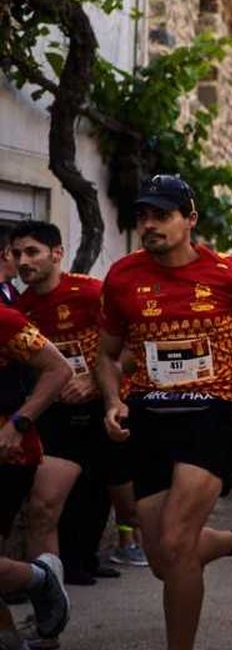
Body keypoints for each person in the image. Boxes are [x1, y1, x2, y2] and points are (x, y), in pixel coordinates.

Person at [96, 175, 232, 650]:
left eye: (161, 215)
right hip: (148, 418)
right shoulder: (124, 277)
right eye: (143, 215)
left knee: (177, 543)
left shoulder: (230, 274)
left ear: (189, 218)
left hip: (210, 415)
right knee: (163, 559)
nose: (149, 225)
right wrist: (111, 400)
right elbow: (106, 353)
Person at [10, 222, 105, 576]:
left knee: (132, 511)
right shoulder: (21, 308)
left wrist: (94, 380)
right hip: (58, 416)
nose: (23, 261)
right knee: (44, 505)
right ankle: (46, 588)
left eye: (32, 252)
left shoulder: (91, 292)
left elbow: (132, 342)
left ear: (57, 254)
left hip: (109, 409)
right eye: (17, 253)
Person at [0, 300, 74, 650]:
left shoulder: (5, 319)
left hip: (8, 453)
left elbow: (59, 369)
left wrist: (18, 423)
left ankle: (40, 581)